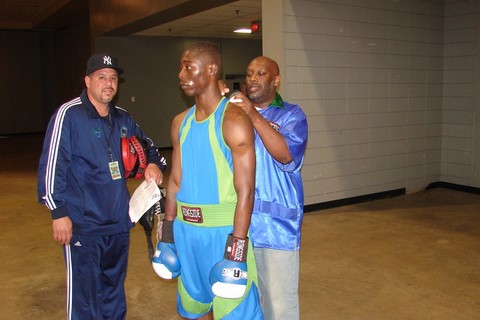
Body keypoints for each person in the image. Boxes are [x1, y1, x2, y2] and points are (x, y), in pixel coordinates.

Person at [37, 53, 166, 320]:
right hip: (83, 224)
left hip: (118, 223)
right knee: (85, 298)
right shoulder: (69, 115)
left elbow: (152, 148)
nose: (108, 83)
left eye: (113, 78)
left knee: (113, 291)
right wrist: (58, 211)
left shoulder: (123, 118)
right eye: (101, 77)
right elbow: (53, 166)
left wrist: (153, 165)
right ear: (87, 81)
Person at [152, 41, 263, 319]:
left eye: (188, 67)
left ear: (211, 69)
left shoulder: (234, 120)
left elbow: (246, 191)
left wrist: (236, 251)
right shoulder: (180, 122)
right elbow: (175, 182)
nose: (181, 74)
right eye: (180, 67)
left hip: (223, 235)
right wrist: (167, 236)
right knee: (193, 309)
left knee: (235, 313)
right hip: (187, 234)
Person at [228, 56, 308, 320]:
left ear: (276, 80)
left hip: (277, 228)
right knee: (241, 301)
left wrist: (252, 113)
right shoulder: (232, 114)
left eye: (261, 73)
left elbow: (286, 155)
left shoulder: (291, 115)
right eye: (249, 73)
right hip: (240, 225)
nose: (252, 79)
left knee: (279, 306)